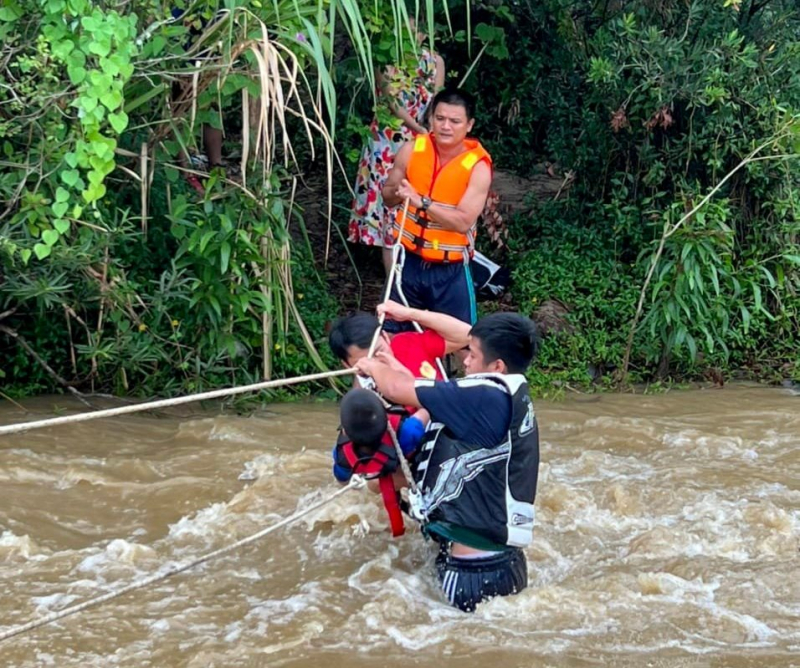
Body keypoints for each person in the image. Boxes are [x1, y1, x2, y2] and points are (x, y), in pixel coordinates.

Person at [354, 313, 540, 612]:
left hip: (471, 574)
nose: (464, 361)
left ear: (497, 366)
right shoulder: (508, 393)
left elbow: (395, 391)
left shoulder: (483, 396)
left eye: (473, 355)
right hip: (504, 562)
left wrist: (371, 365)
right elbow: (433, 393)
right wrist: (393, 366)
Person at [381, 88, 492, 331]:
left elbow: (463, 222)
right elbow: (387, 196)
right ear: (430, 118)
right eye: (440, 119)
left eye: (455, 121)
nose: (446, 126)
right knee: (390, 334)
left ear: (469, 125)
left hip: (450, 269)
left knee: (464, 339)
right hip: (408, 262)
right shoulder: (412, 149)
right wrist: (397, 192)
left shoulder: (478, 167)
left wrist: (423, 202)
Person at [348, 20, 445, 274]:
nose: (414, 35)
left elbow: (437, 101)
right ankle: (393, 277)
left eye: (418, 30)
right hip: (388, 140)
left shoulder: (435, 62)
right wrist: (418, 128)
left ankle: (418, 264)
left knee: (418, 195)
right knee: (388, 200)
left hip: (422, 138)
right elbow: (392, 104)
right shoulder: (386, 60)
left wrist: (430, 130)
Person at [331, 388, 429, 536]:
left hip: (381, 476)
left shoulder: (342, 455)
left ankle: (404, 508)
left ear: (345, 431)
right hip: (415, 473)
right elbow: (428, 407)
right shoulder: (408, 432)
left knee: (374, 484)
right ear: (385, 418)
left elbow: (342, 480)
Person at [328, 300, 471, 381]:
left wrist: (410, 314)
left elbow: (467, 334)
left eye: (380, 352)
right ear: (347, 365)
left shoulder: (407, 344)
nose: (378, 364)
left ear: (385, 337)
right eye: (366, 361)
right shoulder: (361, 398)